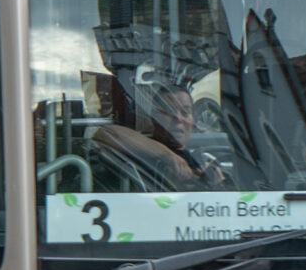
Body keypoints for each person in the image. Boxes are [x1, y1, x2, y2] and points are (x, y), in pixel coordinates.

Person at [91, 77, 229, 190]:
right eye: (168, 111)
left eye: (185, 112)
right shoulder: (141, 148)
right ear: (153, 118)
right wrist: (166, 155)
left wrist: (215, 183)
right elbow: (105, 133)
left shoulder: (200, 159)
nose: (178, 118)